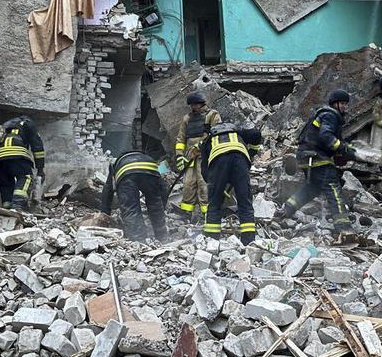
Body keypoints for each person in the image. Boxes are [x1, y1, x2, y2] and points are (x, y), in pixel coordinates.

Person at [278, 89, 358, 234]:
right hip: (317, 159)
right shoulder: (330, 115)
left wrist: (342, 150)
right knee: (333, 189)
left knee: (312, 188)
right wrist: (342, 149)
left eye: (346, 103)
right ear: (335, 104)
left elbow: (325, 140)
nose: (345, 106)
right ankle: (343, 228)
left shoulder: (324, 115)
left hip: (306, 157)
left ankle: (286, 210)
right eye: (342, 103)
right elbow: (326, 136)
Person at [200, 123, 262, 245]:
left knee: (214, 203)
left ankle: (212, 241)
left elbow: (205, 172)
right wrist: (252, 153)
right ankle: (249, 241)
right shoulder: (239, 133)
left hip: (219, 162)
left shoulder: (207, 141)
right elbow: (256, 134)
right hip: (240, 160)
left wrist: (216, 188)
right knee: (245, 202)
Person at [100, 151, 168, 242]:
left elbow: (108, 189)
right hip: (150, 170)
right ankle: (162, 237)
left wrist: (105, 213)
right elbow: (163, 188)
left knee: (131, 209)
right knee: (155, 204)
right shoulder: (146, 157)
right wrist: (162, 205)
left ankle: (139, 241)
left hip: (127, 174)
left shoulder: (114, 164)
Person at [175, 91, 221, 220]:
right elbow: (180, 139)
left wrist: (201, 145)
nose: (192, 108)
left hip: (205, 154)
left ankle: (207, 213)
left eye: (194, 105)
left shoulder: (212, 115)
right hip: (190, 155)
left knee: (203, 183)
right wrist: (179, 155)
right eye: (191, 105)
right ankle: (186, 212)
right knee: (188, 183)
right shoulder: (187, 118)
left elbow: (215, 133)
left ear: (201, 104)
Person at [0, 116, 45, 210]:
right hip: (16, 154)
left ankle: (7, 204)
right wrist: (40, 169)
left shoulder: (4, 127)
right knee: (25, 177)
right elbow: (38, 147)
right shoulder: (28, 123)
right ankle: (17, 205)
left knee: (5, 183)